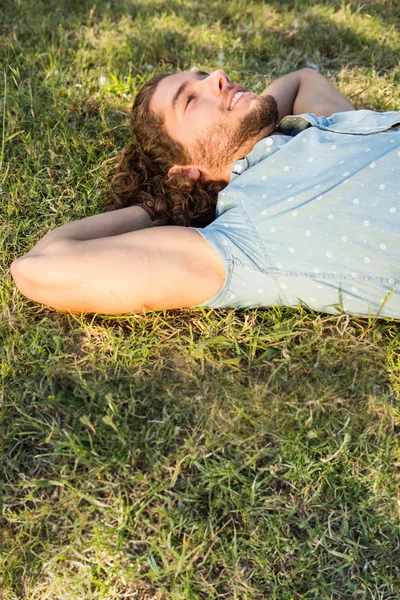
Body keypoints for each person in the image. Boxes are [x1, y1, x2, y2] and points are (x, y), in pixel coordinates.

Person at [10, 69, 400, 318]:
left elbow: (302, 80)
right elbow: (38, 266)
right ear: (185, 171)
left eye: (203, 76)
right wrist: (163, 202)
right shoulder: (245, 236)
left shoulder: (313, 127)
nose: (219, 75)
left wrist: (249, 115)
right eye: (191, 100)